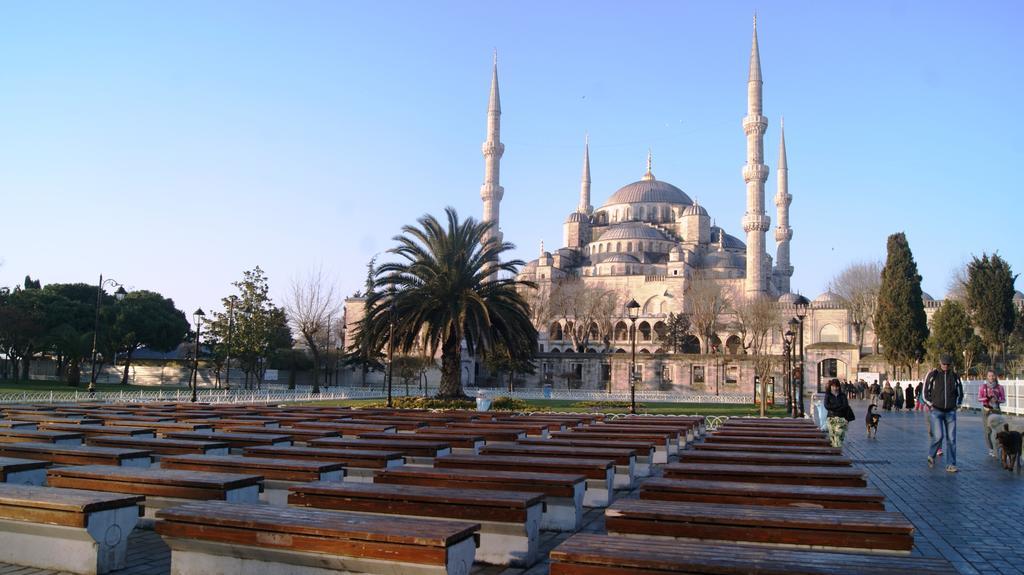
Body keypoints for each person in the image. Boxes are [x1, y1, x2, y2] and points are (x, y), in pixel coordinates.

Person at [924, 354, 964, 472]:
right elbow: (926, 391)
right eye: (943, 364)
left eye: (948, 364)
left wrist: (958, 404)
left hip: (950, 411)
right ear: (940, 363)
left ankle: (951, 464)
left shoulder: (955, 376)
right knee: (938, 436)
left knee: (951, 439)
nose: (945, 366)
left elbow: (960, 391)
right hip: (936, 410)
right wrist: (930, 404)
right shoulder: (933, 375)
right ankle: (931, 454)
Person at [978, 370, 1005, 457]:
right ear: (987, 377)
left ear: (995, 376)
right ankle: (991, 449)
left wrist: (998, 399)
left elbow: (1003, 399)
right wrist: (986, 397)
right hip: (986, 410)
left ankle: (998, 446)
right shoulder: (983, 387)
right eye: (989, 376)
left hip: (996, 410)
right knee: (988, 431)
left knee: (999, 430)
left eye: (993, 376)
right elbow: (979, 398)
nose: (991, 377)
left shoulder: (1000, 387)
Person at [824, 378, 852, 448]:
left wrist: (833, 407)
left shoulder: (843, 395)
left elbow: (845, 406)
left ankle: (837, 451)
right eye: (833, 386)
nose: (835, 388)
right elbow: (826, 406)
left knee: (839, 435)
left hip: (841, 419)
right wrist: (839, 406)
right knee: (833, 437)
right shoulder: (828, 395)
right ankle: (835, 452)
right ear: (830, 386)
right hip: (831, 418)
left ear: (839, 387)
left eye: (837, 386)